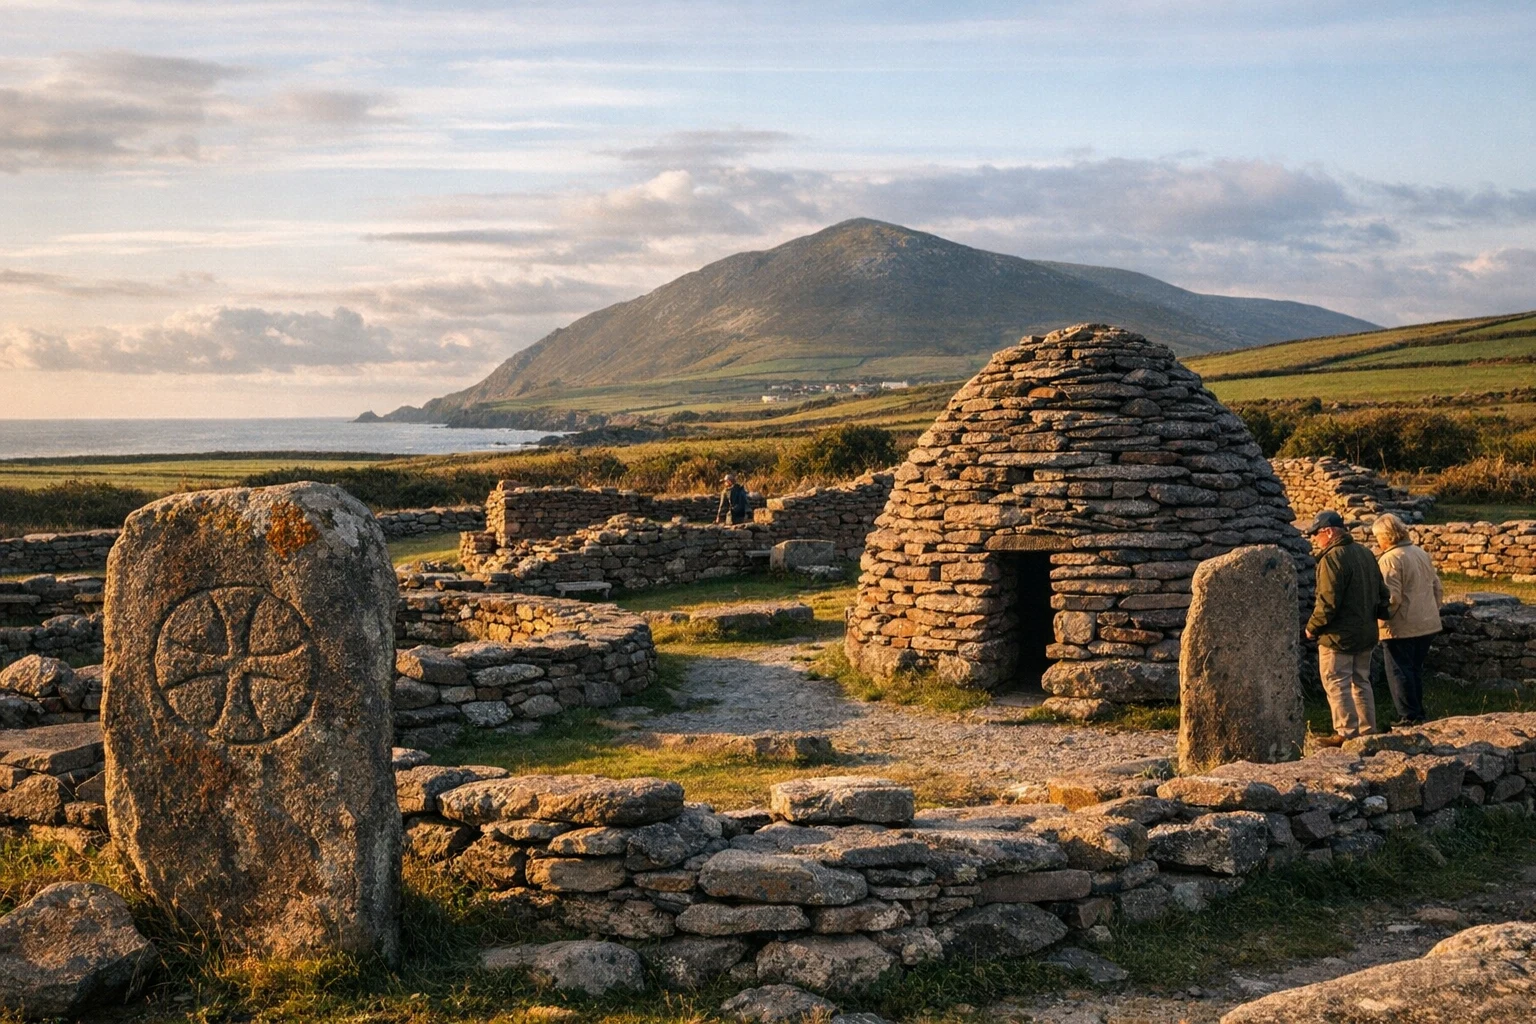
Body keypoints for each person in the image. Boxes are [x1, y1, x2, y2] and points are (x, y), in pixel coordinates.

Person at [1303, 509, 1390, 746]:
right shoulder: (1365, 554)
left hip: (1338, 636)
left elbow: (1328, 602)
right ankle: (1368, 731)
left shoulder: (1332, 558)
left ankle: (1346, 733)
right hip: (1366, 632)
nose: (1315, 540)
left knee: (1337, 682)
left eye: (1316, 534)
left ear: (1329, 532)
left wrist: (1312, 627)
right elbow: (1383, 594)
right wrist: (1380, 616)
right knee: (1361, 681)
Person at [1372, 513, 1442, 726]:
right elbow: (1437, 587)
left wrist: (1381, 619)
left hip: (1401, 625)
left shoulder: (1390, 559)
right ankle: (1418, 712)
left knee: (1398, 671)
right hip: (1427, 622)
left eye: (1378, 537)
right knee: (1414, 670)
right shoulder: (1420, 553)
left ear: (1384, 537)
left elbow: (1392, 597)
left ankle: (1409, 716)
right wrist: (1432, 610)